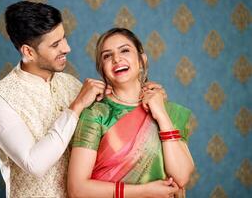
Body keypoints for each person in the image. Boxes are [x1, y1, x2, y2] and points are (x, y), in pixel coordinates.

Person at [0, 1, 164, 198]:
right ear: (28, 52)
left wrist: (147, 95)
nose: (67, 48)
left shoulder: (72, 84)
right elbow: (34, 164)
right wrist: (76, 107)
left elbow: (112, 127)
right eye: (55, 44)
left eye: (64, 38)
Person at [68, 28, 195, 198]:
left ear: (142, 60)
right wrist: (144, 192)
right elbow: (77, 189)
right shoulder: (96, 114)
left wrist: (162, 116)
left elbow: (181, 176)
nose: (116, 59)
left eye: (125, 50)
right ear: (102, 69)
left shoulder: (167, 110)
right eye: (107, 56)